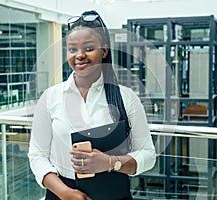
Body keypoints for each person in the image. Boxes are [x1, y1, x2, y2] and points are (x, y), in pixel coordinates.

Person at [28, 10, 156, 200]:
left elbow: (148, 155)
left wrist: (111, 163)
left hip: (113, 193)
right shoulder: (50, 97)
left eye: (88, 48)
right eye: (72, 49)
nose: (79, 55)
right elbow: (37, 155)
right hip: (62, 193)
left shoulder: (125, 97)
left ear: (104, 51)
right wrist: (65, 193)